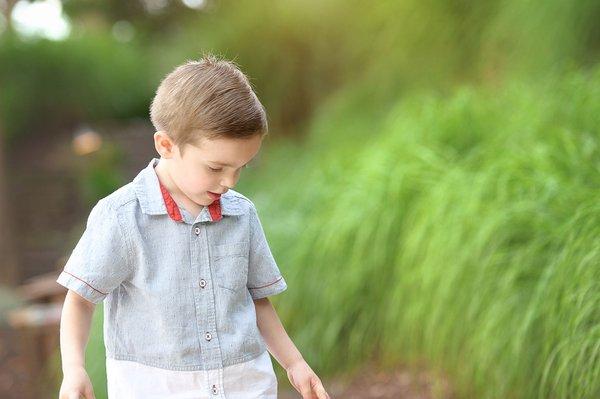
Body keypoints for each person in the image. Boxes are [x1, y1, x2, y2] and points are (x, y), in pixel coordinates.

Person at [57, 54, 330, 399]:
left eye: (241, 167)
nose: (230, 181)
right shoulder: (121, 216)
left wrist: (294, 363)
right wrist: (74, 369)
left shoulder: (241, 215)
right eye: (216, 168)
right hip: (155, 388)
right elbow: (80, 300)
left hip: (244, 383)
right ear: (167, 145)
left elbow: (258, 301)